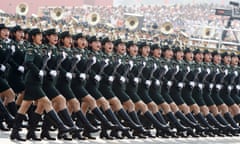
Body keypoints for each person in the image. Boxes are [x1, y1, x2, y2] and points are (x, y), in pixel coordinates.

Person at [10, 28, 72, 141]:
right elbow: (28, 62)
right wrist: (38, 71)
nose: (40, 37)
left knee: (25, 106)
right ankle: (61, 126)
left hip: (38, 80)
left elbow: (45, 64)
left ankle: (21, 132)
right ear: (33, 37)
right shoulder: (31, 48)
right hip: (32, 80)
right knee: (46, 102)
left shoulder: (41, 49)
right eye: (38, 35)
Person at [0, 24, 18, 130]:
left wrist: (10, 52)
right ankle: (9, 118)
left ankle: (11, 120)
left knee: (10, 94)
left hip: (2, 74)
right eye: (3, 30)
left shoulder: (6, 43)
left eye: (7, 30)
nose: (6, 32)